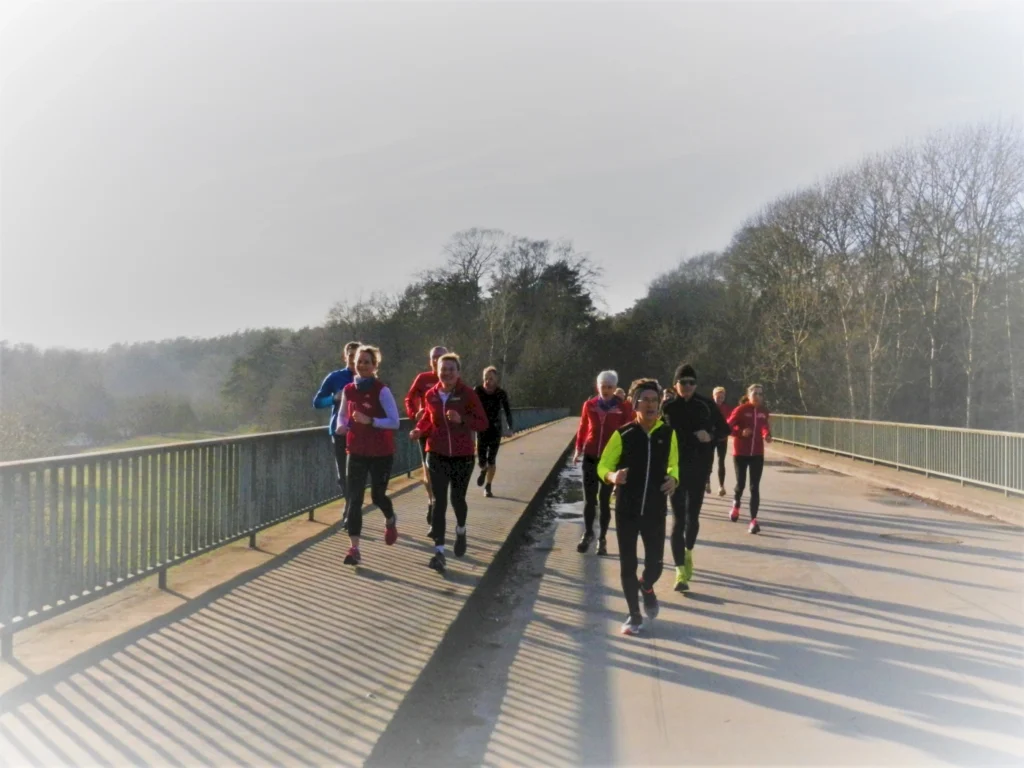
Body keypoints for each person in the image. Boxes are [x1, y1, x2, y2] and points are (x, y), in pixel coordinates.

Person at [597, 378, 678, 636]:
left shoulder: (667, 433)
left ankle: (647, 586)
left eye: (655, 400)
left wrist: (674, 478)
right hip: (627, 510)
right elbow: (603, 466)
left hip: (655, 510)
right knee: (627, 564)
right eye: (646, 400)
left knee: (655, 565)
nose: (652, 405)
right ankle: (634, 615)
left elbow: (674, 464)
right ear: (635, 404)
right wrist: (612, 477)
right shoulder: (623, 435)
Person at [410, 353, 489, 573]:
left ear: (458, 372)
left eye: (451, 369)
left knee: (457, 499)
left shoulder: (468, 394)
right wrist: (419, 429)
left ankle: (461, 530)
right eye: (443, 369)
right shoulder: (431, 395)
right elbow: (427, 417)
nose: (446, 373)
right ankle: (439, 552)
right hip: (436, 454)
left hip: (463, 456)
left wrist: (462, 420)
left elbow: (482, 423)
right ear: (437, 371)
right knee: (439, 502)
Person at [660, 363, 729, 593]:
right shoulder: (667, 408)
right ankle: (680, 571)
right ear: (675, 384)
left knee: (693, 519)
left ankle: (688, 552)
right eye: (683, 382)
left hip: (699, 469)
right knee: (678, 520)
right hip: (675, 471)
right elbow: (655, 433)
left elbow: (725, 430)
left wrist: (709, 435)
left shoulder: (706, 405)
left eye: (691, 382)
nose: (687, 386)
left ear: (696, 384)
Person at [334, 345, 400, 565]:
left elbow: (395, 421)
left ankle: (390, 520)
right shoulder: (349, 390)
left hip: (381, 452)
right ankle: (354, 549)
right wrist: (341, 426)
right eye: (359, 361)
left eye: (367, 362)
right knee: (355, 499)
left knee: (378, 497)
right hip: (356, 450)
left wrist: (371, 421)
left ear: (374, 366)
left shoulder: (382, 390)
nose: (362, 365)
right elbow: (342, 415)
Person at [573, 371, 633, 555]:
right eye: (603, 386)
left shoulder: (623, 408)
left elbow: (628, 434)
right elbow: (583, 427)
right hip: (590, 456)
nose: (606, 390)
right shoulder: (589, 405)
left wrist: (625, 461)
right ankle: (588, 533)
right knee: (589, 500)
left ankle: (602, 538)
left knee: (605, 501)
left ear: (615, 388)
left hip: (610, 461)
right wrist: (578, 449)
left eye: (609, 387)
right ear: (597, 386)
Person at [405, 345, 448, 533]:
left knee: (443, 473)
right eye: (433, 358)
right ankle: (432, 501)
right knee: (428, 470)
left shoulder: (452, 378)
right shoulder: (423, 379)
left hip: (446, 432)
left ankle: (439, 504)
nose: (437, 360)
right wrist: (415, 413)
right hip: (426, 429)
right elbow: (409, 398)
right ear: (430, 361)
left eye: (440, 357)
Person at [313, 341, 361, 499]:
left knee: (357, 474)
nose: (354, 360)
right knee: (343, 474)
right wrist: (334, 398)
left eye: (357, 356)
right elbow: (317, 402)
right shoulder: (335, 377)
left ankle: (353, 509)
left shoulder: (368, 378)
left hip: (363, 431)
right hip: (340, 431)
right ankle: (350, 509)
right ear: (345, 357)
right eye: (351, 356)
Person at [727, 383, 773, 534]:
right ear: (748, 396)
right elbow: (728, 426)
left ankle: (753, 520)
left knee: (754, 487)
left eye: (761, 394)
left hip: (757, 454)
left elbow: (764, 425)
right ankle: (736, 504)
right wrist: (740, 432)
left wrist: (767, 434)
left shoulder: (764, 411)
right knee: (741, 484)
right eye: (755, 394)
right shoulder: (741, 410)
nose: (758, 397)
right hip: (741, 453)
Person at [474, 367, 513, 498]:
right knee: (481, 460)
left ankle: (488, 486)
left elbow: (507, 411)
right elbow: (470, 407)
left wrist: (510, 427)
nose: (488, 381)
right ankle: (483, 470)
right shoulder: (477, 390)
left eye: (491, 378)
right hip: (481, 429)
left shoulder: (501, 393)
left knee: (492, 459)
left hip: (495, 429)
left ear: (496, 380)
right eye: (486, 378)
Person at [709, 387, 734, 496]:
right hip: (710, 438)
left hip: (722, 438)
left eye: (722, 397)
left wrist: (727, 430)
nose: (720, 398)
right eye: (718, 396)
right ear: (713, 396)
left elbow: (731, 421)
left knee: (721, 462)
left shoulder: (727, 408)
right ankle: (707, 482)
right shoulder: (709, 407)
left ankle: (721, 486)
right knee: (709, 460)